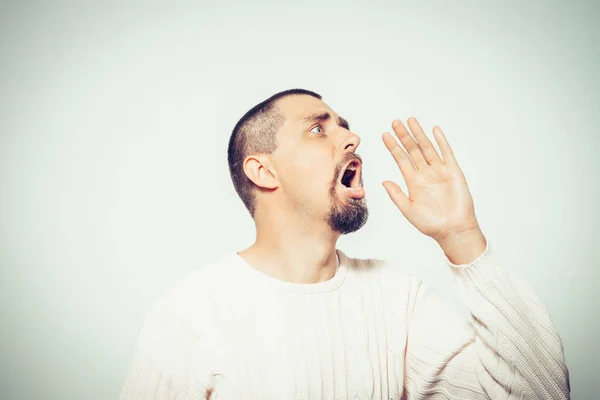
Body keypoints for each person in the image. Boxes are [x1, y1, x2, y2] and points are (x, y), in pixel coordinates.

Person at [119, 89, 570, 399]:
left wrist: (461, 236)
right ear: (264, 172)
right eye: (318, 130)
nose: (351, 138)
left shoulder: (397, 297)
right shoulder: (189, 310)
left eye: (344, 127)